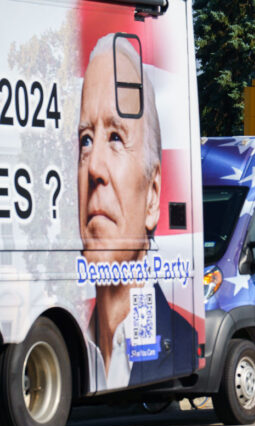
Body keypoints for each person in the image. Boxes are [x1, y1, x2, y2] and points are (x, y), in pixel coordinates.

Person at [78, 33, 196, 390]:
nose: (94, 167)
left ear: (152, 196)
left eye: (115, 137)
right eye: (85, 139)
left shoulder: (184, 342)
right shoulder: (76, 347)